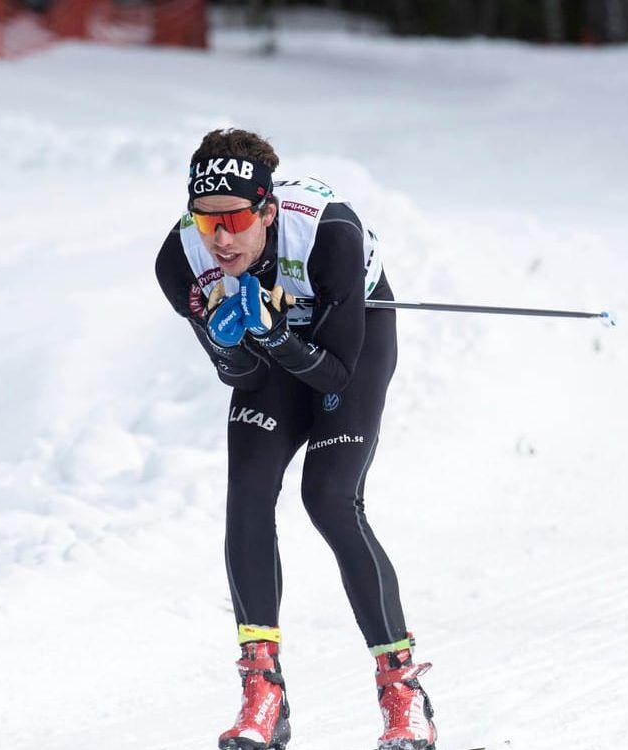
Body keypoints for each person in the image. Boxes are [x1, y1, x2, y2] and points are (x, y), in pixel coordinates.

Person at [154, 129, 436, 750]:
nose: (221, 239)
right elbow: (246, 378)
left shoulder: (329, 232)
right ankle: (264, 692)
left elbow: (335, 370)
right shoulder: (181, 260)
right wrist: (226, 338)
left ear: (269, 209)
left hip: (346, 344)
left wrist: (275, 331)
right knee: (247, 496)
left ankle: (402, 690)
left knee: (329, 497)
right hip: (273, 352)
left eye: (234, 218)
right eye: (206, 221)